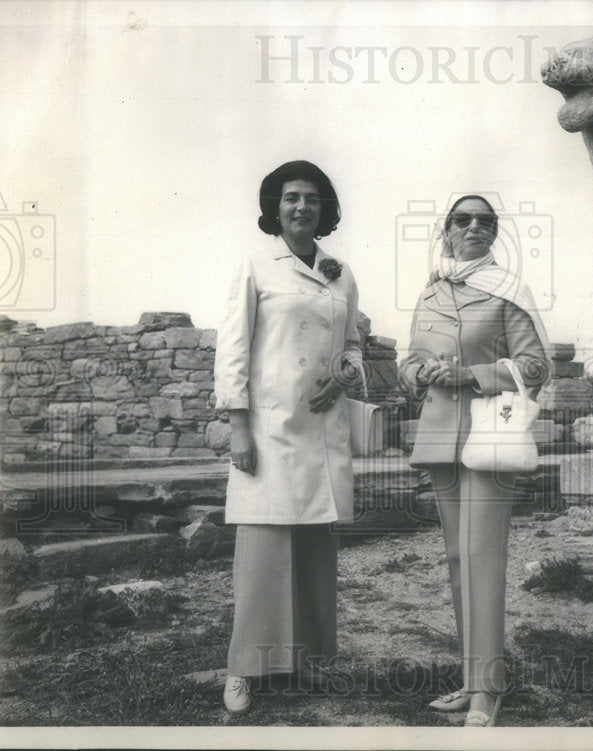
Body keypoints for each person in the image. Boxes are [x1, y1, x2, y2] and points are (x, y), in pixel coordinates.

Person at [213, 160, 361, 713]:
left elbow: (353, 345)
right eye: (292, 197)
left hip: (321, 428)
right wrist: (237, 427)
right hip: (269, 430)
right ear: (274, 207)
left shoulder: (340, 272)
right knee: (262, 550)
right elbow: (232, 349)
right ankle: (244, 671)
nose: (302, 207)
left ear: (325, 211)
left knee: (314, 550)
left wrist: (346, 375)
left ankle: (310, 662)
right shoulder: (255, 265)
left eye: (313, 199)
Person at [399, 195, 550, 727]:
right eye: (463, 220)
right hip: (441, 434)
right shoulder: (431, 292)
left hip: (490, 438)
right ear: (447, 230)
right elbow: (409, 360)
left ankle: (489, 688)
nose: (475, 228)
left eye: (486, 222)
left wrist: (475, 374)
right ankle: (471, 680)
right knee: (459, 560)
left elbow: (536, 367)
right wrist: (418, 373)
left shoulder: (508, 292)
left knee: (483, 559)